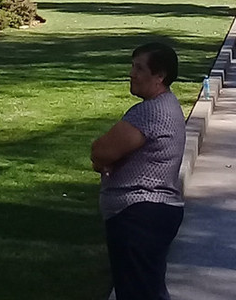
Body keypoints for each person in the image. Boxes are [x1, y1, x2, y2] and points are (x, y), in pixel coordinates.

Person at [90, 42, 185, 300]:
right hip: (150, 215)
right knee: (148, 289)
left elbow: (101, 151)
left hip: (140, 216)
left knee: (137, 292)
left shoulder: (151, 112)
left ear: (159, 76)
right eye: (132, 66)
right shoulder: (165, 105)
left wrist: (102, 160)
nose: (131, 73)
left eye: (139, 68)